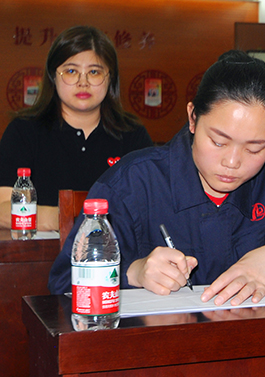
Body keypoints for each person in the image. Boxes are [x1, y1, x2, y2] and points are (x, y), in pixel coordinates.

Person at [49, 51, 265, 304]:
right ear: (193, 118)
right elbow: (63, 283)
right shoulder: (133, 181)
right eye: (219, 141)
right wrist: (133, 272)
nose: (232, 162)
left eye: (255, 148)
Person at [0, 26, 152, 231]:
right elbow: (3, 208)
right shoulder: (23, 131)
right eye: (71, 71)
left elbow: (150, 207)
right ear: (53, 76)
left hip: (114, 250)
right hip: (42, 249)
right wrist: (71, 219)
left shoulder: (132, 135)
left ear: (110, 77)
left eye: (94, 72)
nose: (83, 82)